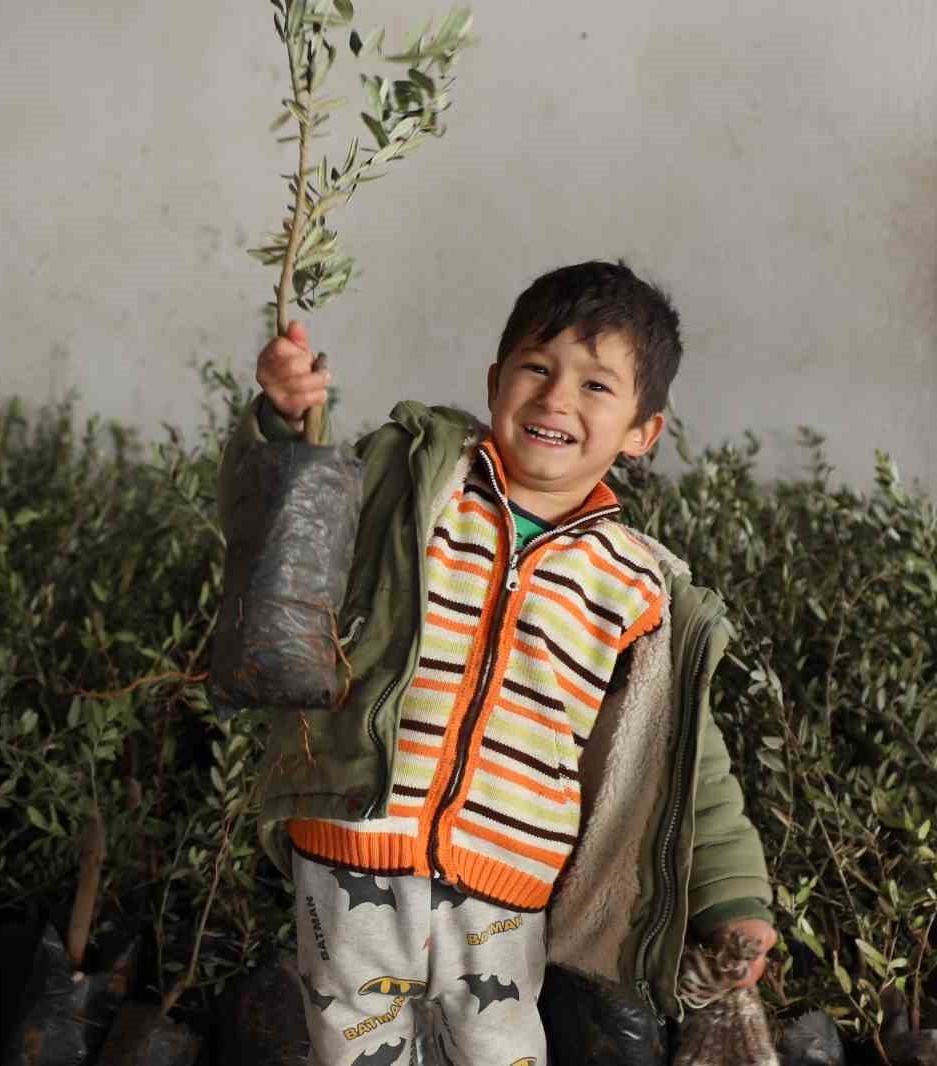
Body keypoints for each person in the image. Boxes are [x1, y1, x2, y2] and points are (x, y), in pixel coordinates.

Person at [219, 261, 775, 1066]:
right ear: (494, 381)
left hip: (508, 884)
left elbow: (690, 760)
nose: (556, 400)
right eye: (538, 369)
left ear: (641, 432)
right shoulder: (413, 488)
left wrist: (735, 896)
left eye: (595, 386)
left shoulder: (636, 587)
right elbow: (283, 529)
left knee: (498, 1048)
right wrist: (283, 421)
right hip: (352, 847)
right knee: (354, 1050)